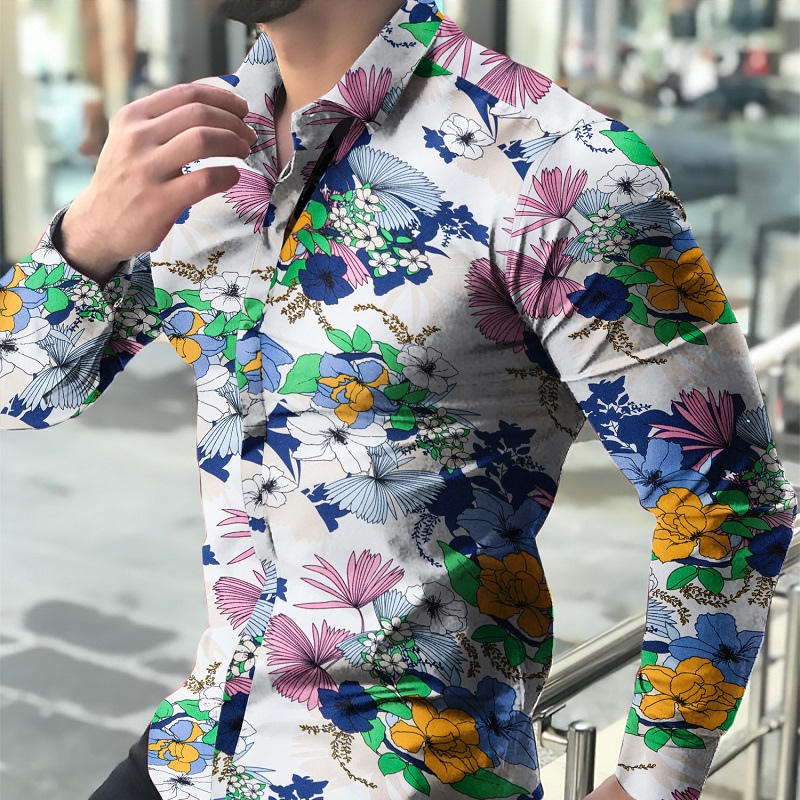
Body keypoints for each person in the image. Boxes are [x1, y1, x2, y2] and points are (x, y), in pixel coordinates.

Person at [0, 1, 796, 798]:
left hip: (403, 769)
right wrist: (87, 238)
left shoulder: (559, 166)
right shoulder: (195, 147)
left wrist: (653, 783)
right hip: (198, 748)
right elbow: (22, 392)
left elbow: (729, 498)